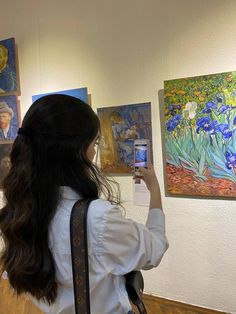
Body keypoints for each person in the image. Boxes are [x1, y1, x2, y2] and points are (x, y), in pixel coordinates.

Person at [0, 94, 168, 314]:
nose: (94, 151)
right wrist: (155, 189)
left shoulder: (20, 209)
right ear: (76, 149)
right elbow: (153, 250)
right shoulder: (97, 218)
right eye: (94, 143)